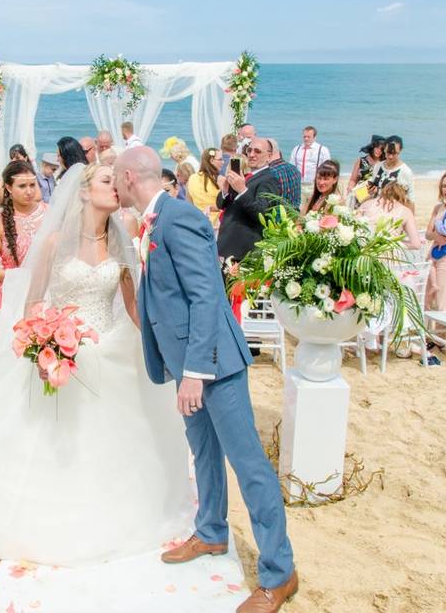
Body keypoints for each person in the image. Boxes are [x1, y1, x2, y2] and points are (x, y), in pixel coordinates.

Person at [0, 162, 196, 570]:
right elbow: (32, 300)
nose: (115, 188)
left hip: (112, 348)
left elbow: (133, 304)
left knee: (114, 438)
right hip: (60, 350)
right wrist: (42, 343)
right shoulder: (55, 243)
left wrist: (160, 346)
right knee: (51, 439)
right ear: (82, 191)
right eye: (105, 181)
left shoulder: (124, 238)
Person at [113, 146, 298, 613]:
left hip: (213, 365)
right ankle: (212, 532)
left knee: (249, 465)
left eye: (115, 179)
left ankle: (280, 573)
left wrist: (195, 371)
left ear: (130, 176)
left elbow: (205, 297)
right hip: (185, 367)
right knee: (205, 453)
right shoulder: (153, 221)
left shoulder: (179, 218)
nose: (114, 186)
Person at [217, 137, 281, 265]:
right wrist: (225, 190)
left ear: (269, 156)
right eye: (249, 150)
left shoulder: (269, 180)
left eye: (257, 151)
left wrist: (242, 191)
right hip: (226, 245)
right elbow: (221, 204)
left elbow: (261, 213)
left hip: (242, 250)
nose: (251, 154)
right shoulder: (245, 177)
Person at [0, 160, 47, 282]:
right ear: (9, 187)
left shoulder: (49, 213)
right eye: (22, 186)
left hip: (48, 290)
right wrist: (18, 277)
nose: (29, 191)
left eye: (32, 185)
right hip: (16, 292)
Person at [357, 181, 422, 249]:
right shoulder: (405, 211)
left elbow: (354, 230)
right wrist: (394, 242)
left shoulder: (366, 204)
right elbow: (416, 245)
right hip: (389, 254)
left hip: (365, 252)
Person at [366, 135, 414, 202]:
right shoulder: (378, 166)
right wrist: (370, 191)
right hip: (376, 208)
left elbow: (410, 198)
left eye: (394, 153)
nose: (390, 156)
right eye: (388, 152)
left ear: (400, 151)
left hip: (395, 210)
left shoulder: (405, 171)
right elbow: (372, 190)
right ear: (384, 149)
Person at [289, 126, 331, 193]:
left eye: (309, 137)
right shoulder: (296, 149)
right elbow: (291, 167)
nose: (306, 139)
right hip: (299, 185)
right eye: (304, 136)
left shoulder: (322, 150)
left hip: (315, 185)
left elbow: (328, 169)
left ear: (314, 137)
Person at [187, 148, 222, 226]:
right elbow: (226, 206)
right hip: (217, 224)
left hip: (199, 222)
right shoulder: (220, 180)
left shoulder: (192, 178)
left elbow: (189, 204)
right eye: (220, 159)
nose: (223, 162)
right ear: (212, 161)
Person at [267, 138, 302, 210]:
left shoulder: (269, 173)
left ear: (269, 152)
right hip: (294, 215)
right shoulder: (294, 169)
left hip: (276, 219)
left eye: (259, 152)